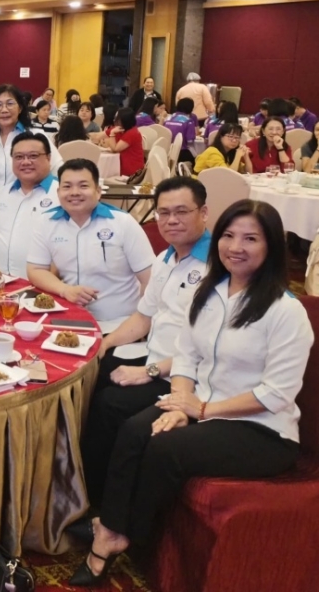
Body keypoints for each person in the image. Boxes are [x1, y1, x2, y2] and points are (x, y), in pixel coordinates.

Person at [72, 199, 312, 586]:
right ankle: (113, 527)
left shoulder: (285, 311)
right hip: (203, 402)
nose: (237, 246)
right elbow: (186, 355)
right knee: (134, 428)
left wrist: (200, 408)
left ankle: (120, 534)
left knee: (165, 447)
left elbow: (276, 394)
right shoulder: (211, 291)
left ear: (271, 247)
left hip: (260, 427)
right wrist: (181, 401)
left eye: (251, 238)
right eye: (229, 236)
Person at [80, 177, 210, 512]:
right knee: (86, 373)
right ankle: (74, 481)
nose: (171, 220)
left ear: (204, 212)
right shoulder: (165, 258)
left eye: (182, 212)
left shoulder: (218, 267)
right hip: (153, 356)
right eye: (164, 212)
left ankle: (97, 503)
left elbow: (205, 347)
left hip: (187, 378)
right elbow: (142, 318)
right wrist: (104, 345)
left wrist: (148, 370)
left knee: (109, 404)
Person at [27, 158, 155, 327]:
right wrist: (65, 290)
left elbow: (151, 279)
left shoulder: (122, 222)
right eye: (67, 186)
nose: (74, 192)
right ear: (58, 192)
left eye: (83, 186)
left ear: (98, 191)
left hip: (119, 323)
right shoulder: (46, 222)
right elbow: (35, 269)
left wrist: (144, 324)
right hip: (67, 320)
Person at [0, 133, 59, 278]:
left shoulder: (63, 196)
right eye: (19, 157)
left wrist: (48, 284)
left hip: (42, 288)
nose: (25, 162)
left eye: (33, 156)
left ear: (48, 158)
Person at [0, 83, 64, 207]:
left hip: (29, 207)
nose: (4, 109)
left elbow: (58, 169)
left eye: (10, 103)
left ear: (21, 108)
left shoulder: (36, 136)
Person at [107, 107, 145, 177]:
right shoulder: (123, 130)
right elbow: (99, 136)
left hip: (132, 172)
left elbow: (115, 149)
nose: (115, 120)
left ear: (124, 120)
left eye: (117, 119)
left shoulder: (132, 133)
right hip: (127, 167)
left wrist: (112, 133)